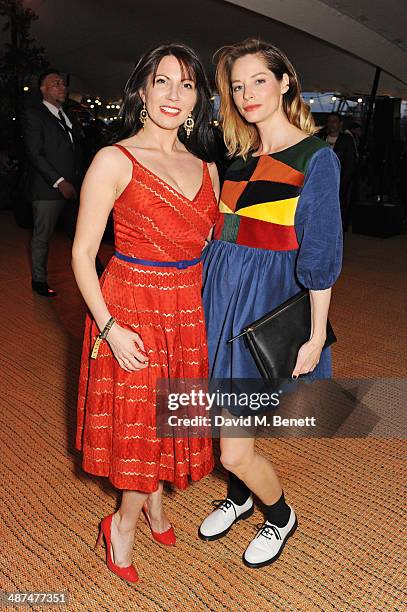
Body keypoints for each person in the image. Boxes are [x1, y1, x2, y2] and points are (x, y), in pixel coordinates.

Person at [72, 44, 219, 583]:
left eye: (187, 85)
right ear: (142, 89)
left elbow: (210, 251)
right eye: (163, 82)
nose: (174, 95)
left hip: (184, 308)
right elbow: (82, 254)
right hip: (129, 306)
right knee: (142, 426)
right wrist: (109, 328)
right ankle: (123, 524)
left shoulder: (207, 168)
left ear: (199, 97)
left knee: (169, 416)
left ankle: (155, 503)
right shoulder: (115, 159)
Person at [198, 39, 342, 569]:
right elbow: (218, 240)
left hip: (265, 304)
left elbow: (322, 253)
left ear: (285, 82)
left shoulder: (316, 158)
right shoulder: (236, 161)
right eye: (236, 86)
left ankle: (279, 515)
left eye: (259, 80)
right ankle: (238, 498)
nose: (246, 93)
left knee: (234, 446)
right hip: (219, 300)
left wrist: (314, 334)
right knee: (217, 411)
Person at [21, 70, 85, 297]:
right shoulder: (34, 114)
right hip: (48, 188)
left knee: (81, 232)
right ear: (43, 89)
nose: (62, 87)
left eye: (62, 84)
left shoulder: (63, 114)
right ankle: (38, 281)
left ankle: (95, 273)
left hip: (72, 186)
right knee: (42, 237)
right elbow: (34, 153)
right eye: (55, 83)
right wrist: (59, 182)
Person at [323, 112, 357, 230]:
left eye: (334, 121)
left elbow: (351, 162)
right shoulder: (321, 137)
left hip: (339, 182)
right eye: (329, 121)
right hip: (322, 181)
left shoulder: (346, 140)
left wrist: (343, 182)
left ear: (340, 124)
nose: (331, 124)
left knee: (338, 209)